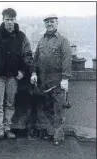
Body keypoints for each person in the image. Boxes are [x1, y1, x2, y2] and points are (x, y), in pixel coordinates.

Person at [0, 8, 32, 144]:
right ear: (3, 20)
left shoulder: (21, 37)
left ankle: (7, 128)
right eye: (7, 19)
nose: (9, 22)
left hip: (13, 77)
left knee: (10, 103)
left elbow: (27, 55)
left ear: (15, 20)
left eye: (12, 19)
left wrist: (22, 71)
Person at [31, 14, 72, 145]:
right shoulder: (41, 40)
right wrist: (33, 73)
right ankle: (50, 132)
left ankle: (58, 136)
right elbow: (36, 59)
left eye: (52, 22)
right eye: (47, 22)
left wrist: (65, 78)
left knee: (58, 110)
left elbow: (67, 60)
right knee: (47, 108)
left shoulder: (63, 40)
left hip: (58, 82)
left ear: (57, 23)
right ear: (45, 24)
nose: (49, 24)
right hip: (44, 82)